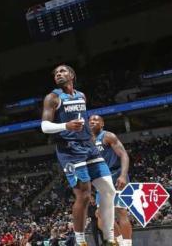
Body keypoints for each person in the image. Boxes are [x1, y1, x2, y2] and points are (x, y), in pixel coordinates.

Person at [41, 65, 117, 246]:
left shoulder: (81, 96)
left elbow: (83, 122)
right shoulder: (52, 98)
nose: (59, 74)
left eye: (63, 71)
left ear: (72, 75)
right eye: (56, 73)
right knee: (84, 195)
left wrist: (93, 142)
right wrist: (65, 126)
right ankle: (81, 240)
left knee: (109, 190)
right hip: (69, 150)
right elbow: (44, 126)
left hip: (88, 146)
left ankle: (109, 237)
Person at [90, 115, 132, 246]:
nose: (92, 121)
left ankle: (127, 243)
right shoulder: (87, 142)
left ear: (102, 123)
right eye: (90, 120)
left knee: (120, 211)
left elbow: (124, 155)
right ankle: (120, 242)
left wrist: (123, 175)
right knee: (101, 216)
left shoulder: (108, 136)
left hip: (116, 174)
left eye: (96, 120)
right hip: (101, 179)